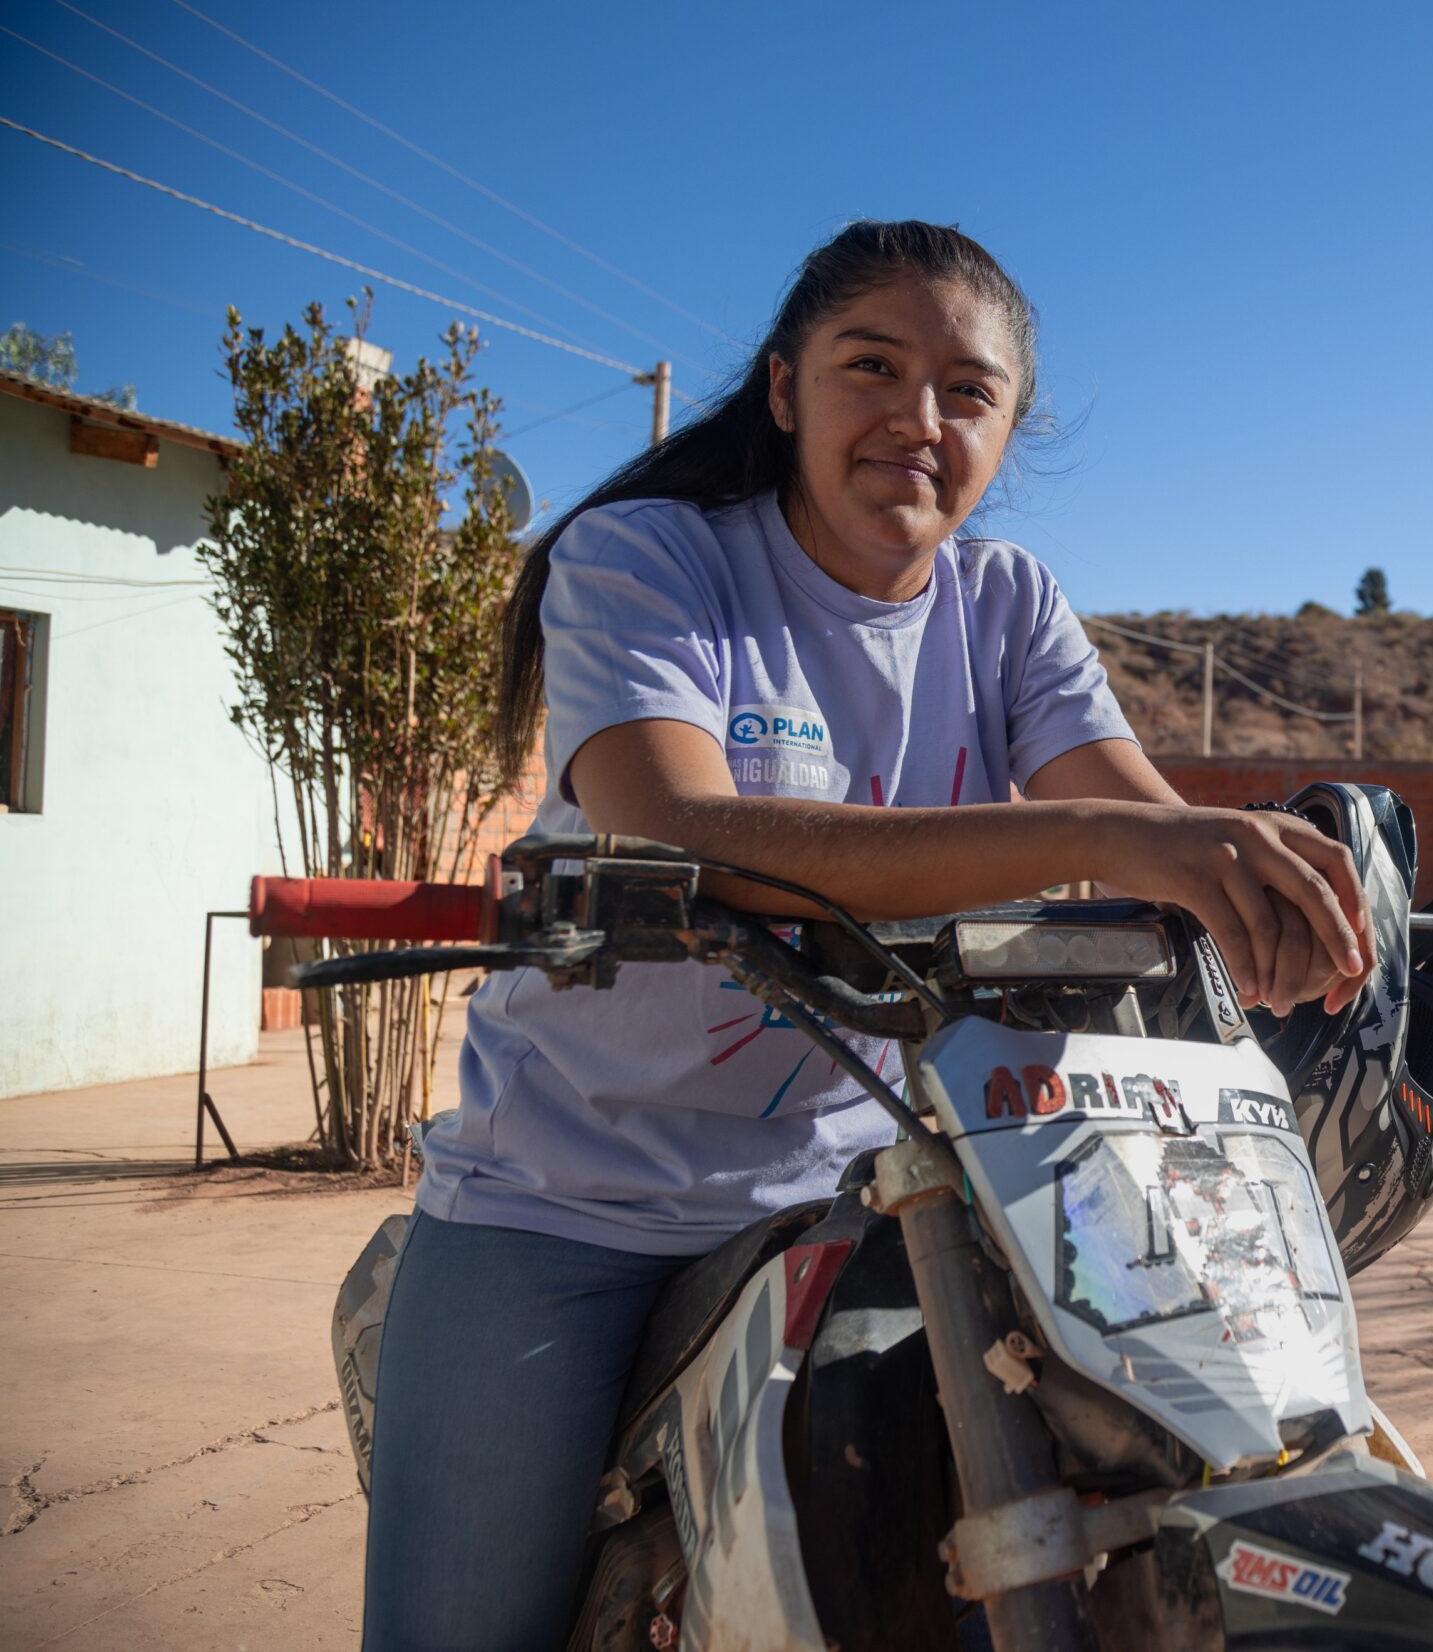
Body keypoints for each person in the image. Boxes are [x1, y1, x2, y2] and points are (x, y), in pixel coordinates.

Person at [362, 220, 1373, 1651]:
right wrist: (1108, 842)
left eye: (969, 392)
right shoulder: (648, 560)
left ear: (1008, 434)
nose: (918, 419)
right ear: (785, 391)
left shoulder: (1007, 606)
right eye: (872, 368)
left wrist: (1267, 898)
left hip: (875, 1193)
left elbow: (1144, 834)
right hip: (573, 1200)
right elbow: (674, 821)